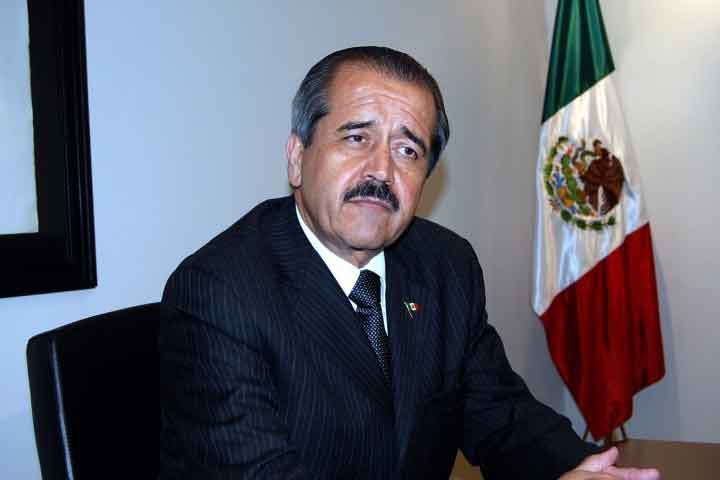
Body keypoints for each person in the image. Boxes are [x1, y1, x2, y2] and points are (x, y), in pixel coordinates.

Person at [158, 46, 659, 479]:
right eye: (356, 138)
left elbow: (500, 413)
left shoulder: (446, 264)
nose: (381, 170)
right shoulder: (219, 293)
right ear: (297, 157)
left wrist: (584, 467)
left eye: (407, 150)